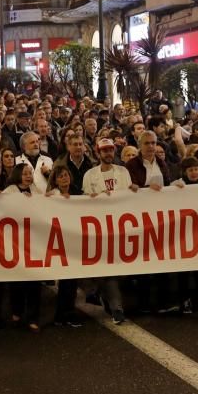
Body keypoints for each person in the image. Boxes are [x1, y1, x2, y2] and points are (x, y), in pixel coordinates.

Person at [79, 139, 130, 324]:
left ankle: (102, 295)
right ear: (98, 153)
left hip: (120, 226)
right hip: (99, 227)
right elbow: (85, 201)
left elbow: (129, 198)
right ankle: (116, 308)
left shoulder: (123, 172)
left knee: (119, 270)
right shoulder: (90, 175)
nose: (108, 153)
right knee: (107, 268)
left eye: (111, 150)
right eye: (104, 150)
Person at [3, 163, 44, 332]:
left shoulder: (37, 191)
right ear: (18, 174)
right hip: (15, 243)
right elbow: (2, 209)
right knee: (17, 281)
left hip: (34, 243)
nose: (28, 176)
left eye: (31, 173)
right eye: (25, 173)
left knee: (34, 282)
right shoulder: (10, 191)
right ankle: (17, 313)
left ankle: (33, 317)